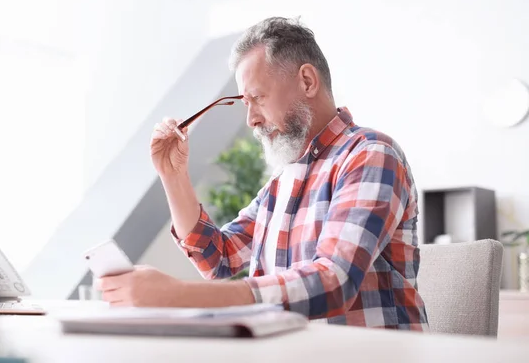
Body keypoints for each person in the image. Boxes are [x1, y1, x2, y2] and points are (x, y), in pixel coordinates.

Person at [97, 17, 429, 330]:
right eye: (245, 103)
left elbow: (334, 282)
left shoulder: (370, 155)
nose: (251, 120)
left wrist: (177, 297)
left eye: (257, 98)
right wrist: (173, 175)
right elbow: (220, 258)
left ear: (307, 81)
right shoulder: (282, 183)